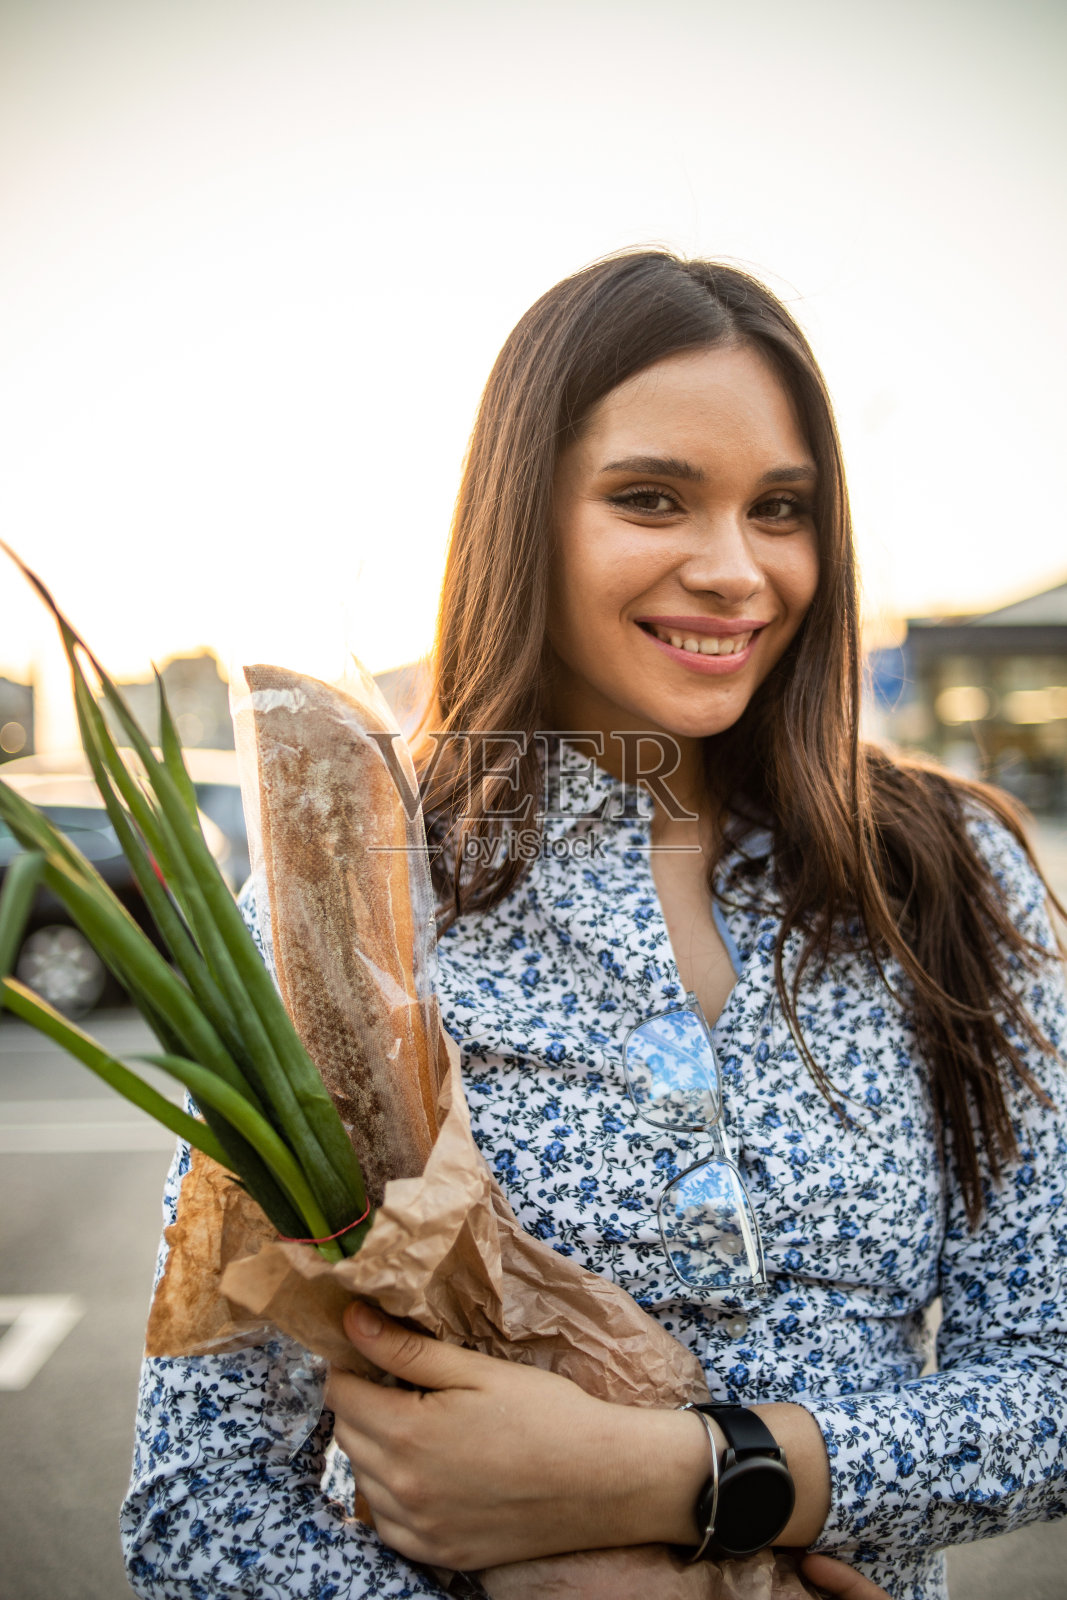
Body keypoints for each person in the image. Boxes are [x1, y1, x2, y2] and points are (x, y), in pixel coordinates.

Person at [121, 253, 1067, 1600]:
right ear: (524, 516)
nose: (737, 569)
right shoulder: (356, 885)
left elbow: (1050, 1377)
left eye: (781, 509)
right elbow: (200, 1507)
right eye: (651, 499)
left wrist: (690, 1478)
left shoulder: (951, 871)